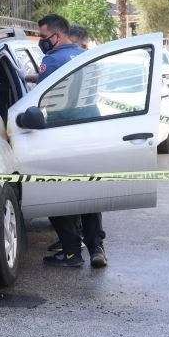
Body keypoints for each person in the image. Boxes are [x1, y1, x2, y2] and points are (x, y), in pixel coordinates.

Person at [38, 21, 108, 268]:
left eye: (43, 35)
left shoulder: (52, 60)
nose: (41, 39)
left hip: (62, 131)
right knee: (89, 190)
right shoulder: (87, 57)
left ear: (56, 36)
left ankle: (71, 252)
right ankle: (96, 246)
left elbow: (42, 96)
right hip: (92, 128)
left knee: (56, 192)